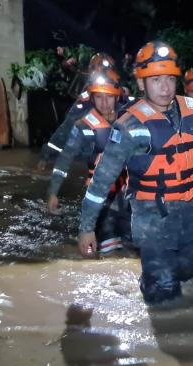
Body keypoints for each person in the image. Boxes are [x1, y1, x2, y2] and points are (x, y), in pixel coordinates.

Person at [77, 41, 193, 304]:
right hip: (154, 220)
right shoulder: (128, 126)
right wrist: (87, 228)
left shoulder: (192, 110)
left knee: (189, 281)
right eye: (155, 80)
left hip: (189, 216)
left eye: (169, 79)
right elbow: (102, 181)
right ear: (141, 83)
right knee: (164, 296)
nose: (165, 88)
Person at [46, 69, 129, 254]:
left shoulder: (130, 121)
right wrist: (53, 191)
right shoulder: (84, 125)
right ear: (92, 98)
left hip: (129, 195)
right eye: (99, 97)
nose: (104, 103)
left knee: (136, 248)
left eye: (108, 97)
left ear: (117, 98)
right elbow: (65, 158)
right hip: (100, 196)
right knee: (111, 251)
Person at [38, 53, 129, 169]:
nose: (104, 102)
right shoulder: (83, 103)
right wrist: (46, 156)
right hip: (88, 158)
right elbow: (64, 129)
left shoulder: (123, 99)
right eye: (98, 71)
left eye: (106, 70)